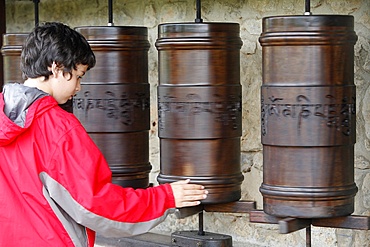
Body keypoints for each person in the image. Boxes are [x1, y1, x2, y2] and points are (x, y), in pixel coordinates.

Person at [0, 22, 208, 247]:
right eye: (78, 76)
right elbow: (96, 204)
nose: (79, 87)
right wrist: (164, 198)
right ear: (56, 67)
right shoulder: (58, 129)